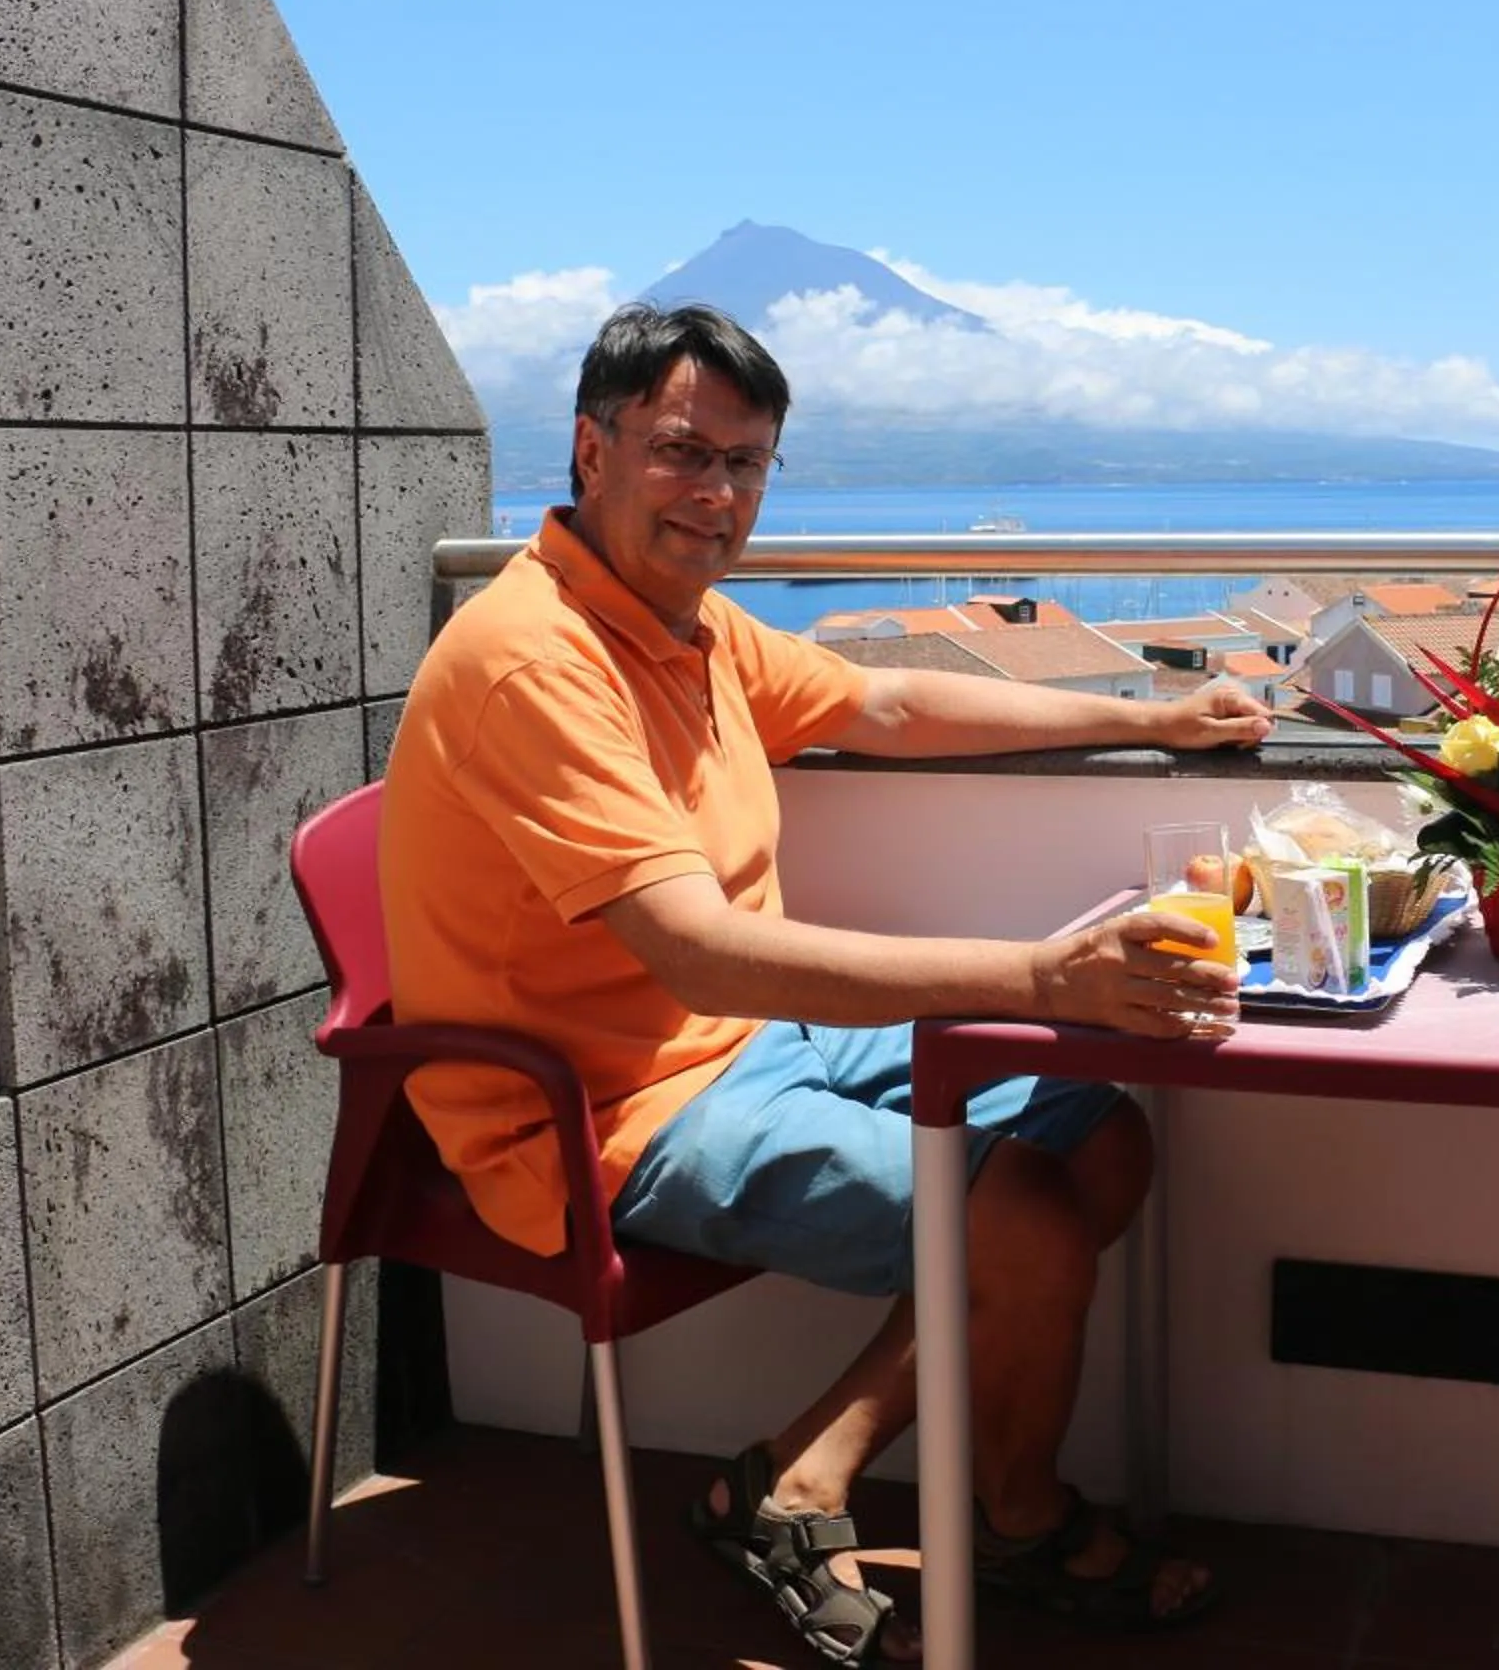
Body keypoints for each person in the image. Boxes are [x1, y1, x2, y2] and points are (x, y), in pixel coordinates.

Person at [379, 302, 1273, 1664]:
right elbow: (696, 948)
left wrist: (1149, 712)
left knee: (1096, 1138)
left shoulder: (683, 626)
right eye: (686, 451)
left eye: (747, 464)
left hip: (744, 1043)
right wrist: (1042, 976)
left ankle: (797, 1476)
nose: (718, 494)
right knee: (1022, 1219)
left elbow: (887, 706)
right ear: (590, 448)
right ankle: (1020, 1524)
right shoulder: (535, 661)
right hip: (603, 1112)